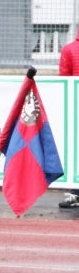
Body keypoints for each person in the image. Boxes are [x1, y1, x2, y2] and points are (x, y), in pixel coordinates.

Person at [58, 35, 79, 208]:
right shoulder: (69, 49)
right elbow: (64, 80)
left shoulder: (69, 49)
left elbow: (64, 78)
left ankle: (74, 193)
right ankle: (74, 193)